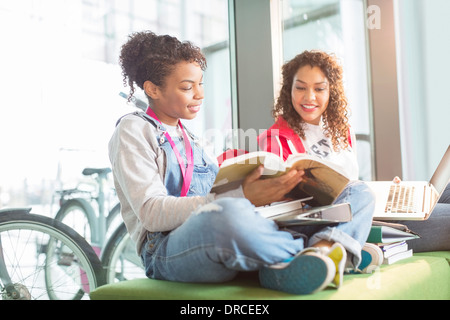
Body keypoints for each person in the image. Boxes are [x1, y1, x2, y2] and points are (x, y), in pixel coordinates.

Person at [108, 31, 373, 295]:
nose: (199, 95)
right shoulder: (134, 129)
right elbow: (152, 214)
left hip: (225, 237)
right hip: (167, 248)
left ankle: (320, 251)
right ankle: (332, 247)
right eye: (188, 87)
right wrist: (242, 197)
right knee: (226, 217)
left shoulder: (190, 138)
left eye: (201, 84)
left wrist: (265, 193)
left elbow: (219, 192)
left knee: (359, 192)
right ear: (152, 89)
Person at [258, 50, 380, 280]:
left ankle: (341, 250)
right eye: (301, 87)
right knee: (362, 192)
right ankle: (323, 251)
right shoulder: (274, 138)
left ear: (331, 91)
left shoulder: (342, 132)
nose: (309, 97)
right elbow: (274, 200)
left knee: (442, 195)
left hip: (350, 211)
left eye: (319, 88)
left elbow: (350, 182)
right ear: (289, 90)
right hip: (306, 220)